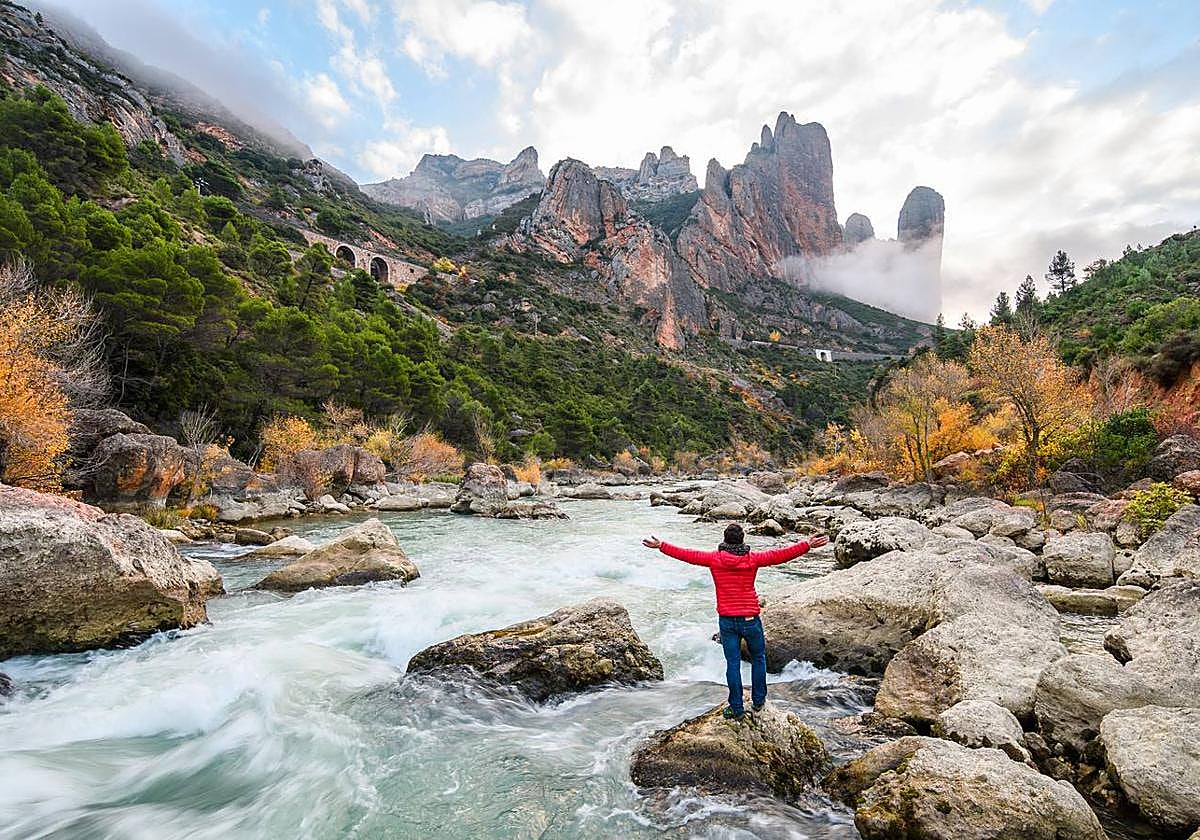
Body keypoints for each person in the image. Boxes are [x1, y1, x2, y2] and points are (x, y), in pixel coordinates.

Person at [642, 524, 828, 719]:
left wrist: (661, 545)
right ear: (742, 540)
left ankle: (737, 708)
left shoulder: (714, 559)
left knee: (732, 664)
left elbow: (687, 554)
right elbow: (780, 555)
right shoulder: (753, 559)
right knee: (758, 659)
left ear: (724, 539)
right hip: (750, 619)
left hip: (728, 621)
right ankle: (758, 701)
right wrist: (807, 544)